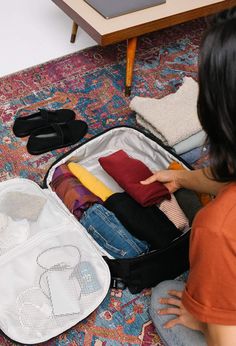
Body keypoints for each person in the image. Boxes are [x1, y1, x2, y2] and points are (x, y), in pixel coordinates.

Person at [141, 7, 236, 346]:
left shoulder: (217, 227)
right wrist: (181, 179)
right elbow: (227, 178)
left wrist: (203, 321)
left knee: (167, 296)